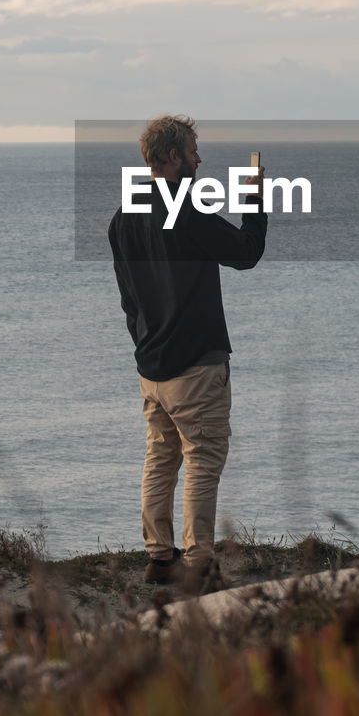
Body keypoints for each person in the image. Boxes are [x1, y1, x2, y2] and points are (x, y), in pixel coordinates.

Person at [108, 115, 267, 592]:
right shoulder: (188, 209)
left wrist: (142, 343)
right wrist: (254, 198)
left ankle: (159, 557)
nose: (200, 158)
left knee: (160, 455)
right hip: (196, 362)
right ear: (174, 155)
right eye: (194, 150)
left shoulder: (124, 214)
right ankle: (199, 563)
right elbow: (245, 252)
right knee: (203, 456)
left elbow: (128, 296)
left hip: (152, 364)